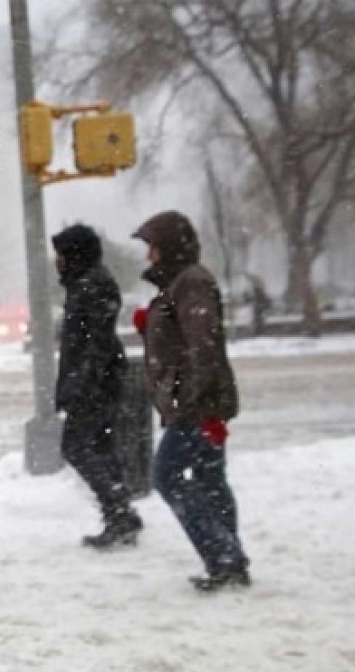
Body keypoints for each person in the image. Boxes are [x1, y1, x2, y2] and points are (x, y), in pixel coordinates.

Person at [132, 211, 250, 592]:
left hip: (195, 404)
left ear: (168, 247)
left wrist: (203, 406)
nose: (149, 255)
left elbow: (203, 344)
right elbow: (185, 336)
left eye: (153, 247)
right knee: (210, 479)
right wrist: (152, 324)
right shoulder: (182, 283)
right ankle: (229, 561)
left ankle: (225, 557)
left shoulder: (191, 283)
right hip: (197, 401)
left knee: (165, 476)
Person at [51, 224, 143, 549]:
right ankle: (120, 514)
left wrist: (81, 383)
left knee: (75, 446)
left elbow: (95, 343)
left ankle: (119, 511)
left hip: (94, 383)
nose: (57, 262)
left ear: (75, 255)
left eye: (61, 255)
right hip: (97, 380)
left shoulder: (91, 286)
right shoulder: (87, 284)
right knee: (101, 447)